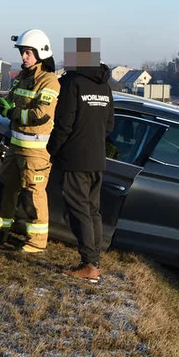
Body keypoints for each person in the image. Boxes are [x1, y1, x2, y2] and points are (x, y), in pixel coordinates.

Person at [0, 29, 60, 252]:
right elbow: (9, 101)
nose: (24, 57)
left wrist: (12, 113)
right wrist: (1, 106)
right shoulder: (21, 79)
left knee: (33, 196)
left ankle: (36, 242)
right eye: (22, 52)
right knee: (4, 189)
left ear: (41, 53)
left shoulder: (49, 81)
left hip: (35, 151)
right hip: (15, 146)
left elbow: (40, 115)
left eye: (28, 52)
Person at [47, 38, 114, 283]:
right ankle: (94, 260)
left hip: (75, 157)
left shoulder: (72, 83)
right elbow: (109, 125)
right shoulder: (105, 86)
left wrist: (52, 149)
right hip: (97, 157)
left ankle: (89, 264)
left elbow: (64, 123)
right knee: (92, 209)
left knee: (78, 209)